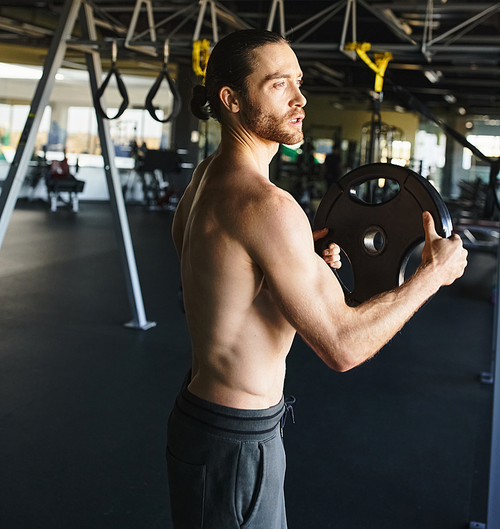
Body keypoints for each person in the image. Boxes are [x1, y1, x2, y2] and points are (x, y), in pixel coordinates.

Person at [167, 30, 467, 529]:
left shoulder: (205, 180)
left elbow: (216, 284)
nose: (300, 99)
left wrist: (290, 265)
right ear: (231, 99)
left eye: (299, 82)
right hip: (237, 441)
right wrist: (430, 275)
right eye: (279, 84)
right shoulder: (269, 207)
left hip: (200, 418)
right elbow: (342, 348)